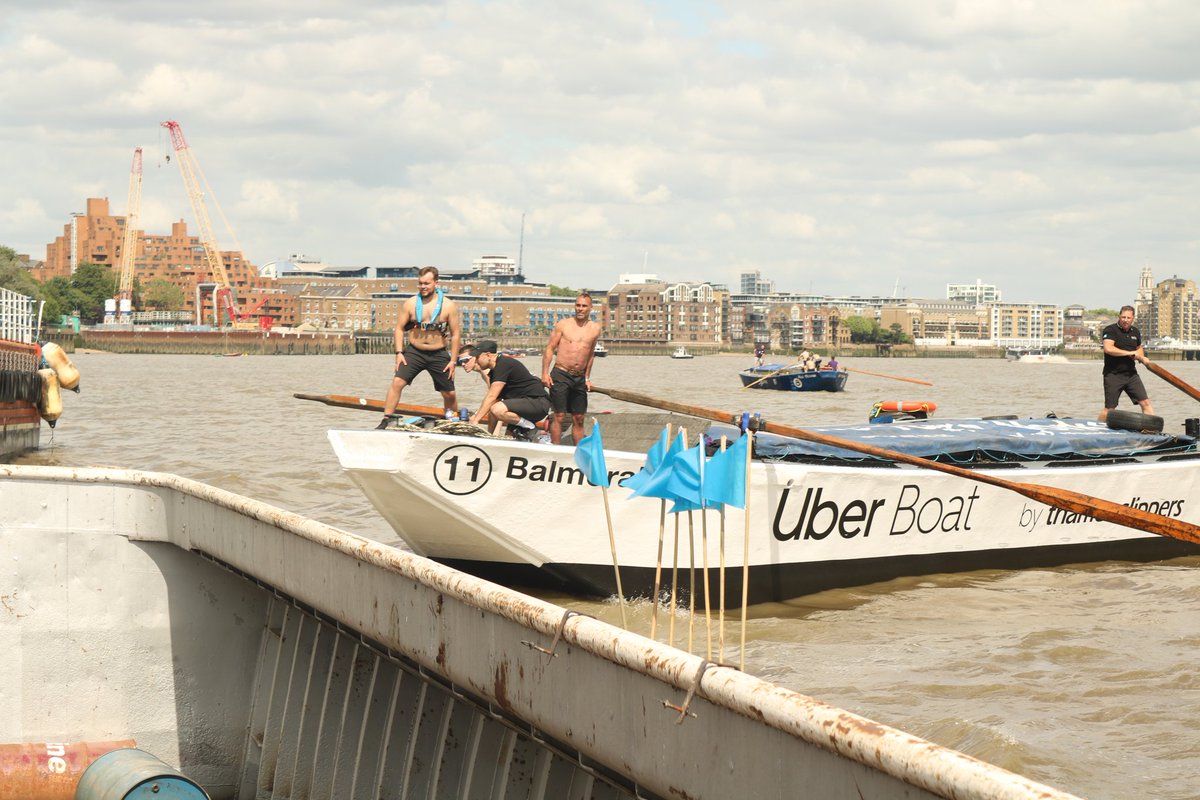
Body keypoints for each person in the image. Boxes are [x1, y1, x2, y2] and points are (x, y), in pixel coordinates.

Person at [376, 266, 462, 429]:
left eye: (426, 283)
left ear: (436, 283)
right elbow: (399, 329)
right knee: (397, 382)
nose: (423, 286)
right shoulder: (410, 304)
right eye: (420, 283)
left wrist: (453, 361)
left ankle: (453, 424)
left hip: (438, 353)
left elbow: (456, 334)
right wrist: (399, 353)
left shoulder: (448, 306)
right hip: (414, 352)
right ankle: (386, 420)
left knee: (449, 393)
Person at [541, 293, 601, 444]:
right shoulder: (563, 324)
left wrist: (587, 378)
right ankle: (556, 450)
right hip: (561, 373)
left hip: (579, 377)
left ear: (590, 308)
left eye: (584, 306)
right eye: (578, 305)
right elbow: (550, 348)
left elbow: (590, 354)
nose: (580, 308)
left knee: (579, 418)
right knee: (559, 415)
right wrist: (545, 374)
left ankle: (578, 450)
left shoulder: (595, 328)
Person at [466, 340, 550, 441]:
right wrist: (488, 436)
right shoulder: (494, 371)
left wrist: (476, 420)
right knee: (508, 437)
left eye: (477, 357)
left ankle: (530, 427)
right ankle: (490, 438)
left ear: (488, 355)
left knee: (497, 409)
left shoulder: (504, 364)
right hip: (521, 408)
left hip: (538, 403)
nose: (476, 361)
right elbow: (494, 400)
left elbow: (491, 396)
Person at [1099, 305, 1155, 422]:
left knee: (1145, 403)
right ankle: (1097, 428)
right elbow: (1108, 349)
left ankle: (1151, 429)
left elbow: (1139, 348)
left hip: (1131, 375)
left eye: (1128, 318)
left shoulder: (1135, 332)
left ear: (1133, 318)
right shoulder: (1110, 330)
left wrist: (1142, 358)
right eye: (1123, 317)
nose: (1125, 320)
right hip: (1113, 375)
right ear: (1119, 316)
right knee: (1110, 408)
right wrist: (1130, 353)